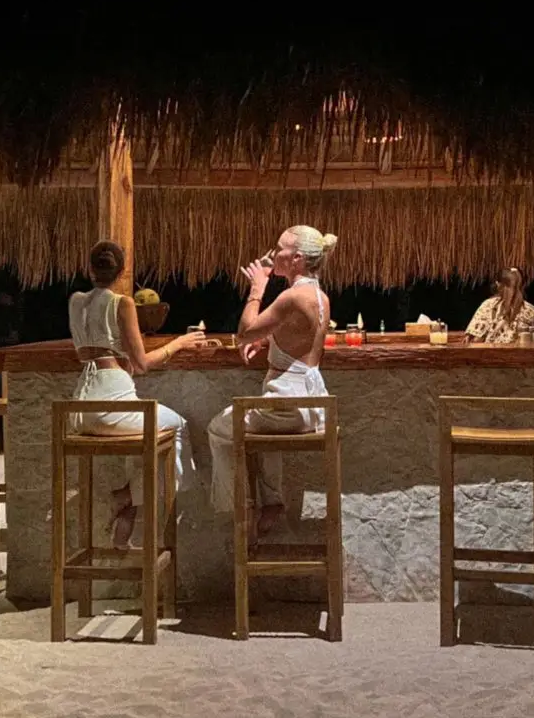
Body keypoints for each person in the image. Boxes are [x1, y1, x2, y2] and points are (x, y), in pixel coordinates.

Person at [67, 241, 206, 547]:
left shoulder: (75, 301)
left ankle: (130, 505)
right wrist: (179, 344)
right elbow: (141, 364)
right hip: (113, 402)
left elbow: (94, 352)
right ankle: (128, 496)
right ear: (122, 271)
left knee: (145, 438)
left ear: (89, 269)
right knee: (177, 426)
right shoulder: (123, 303)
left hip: (79, 409)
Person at [207, 224, 336, 538]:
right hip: (308, 406)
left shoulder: (291, 297)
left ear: (297, 259)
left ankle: (240, 509)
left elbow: (244, 332)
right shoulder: (320, 297)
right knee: (261, 425)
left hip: (287, 406)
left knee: (219, 428)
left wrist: (257, 288)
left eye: (280, 248)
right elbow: (297, 338)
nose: (273, 253)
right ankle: (273, 501)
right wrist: (267, 343)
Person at [465, 266, 534, 343]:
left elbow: (476, 339)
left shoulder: (488, 306)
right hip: (523, 354)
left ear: (498, 284)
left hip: (490, 353)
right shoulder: (531, 310)